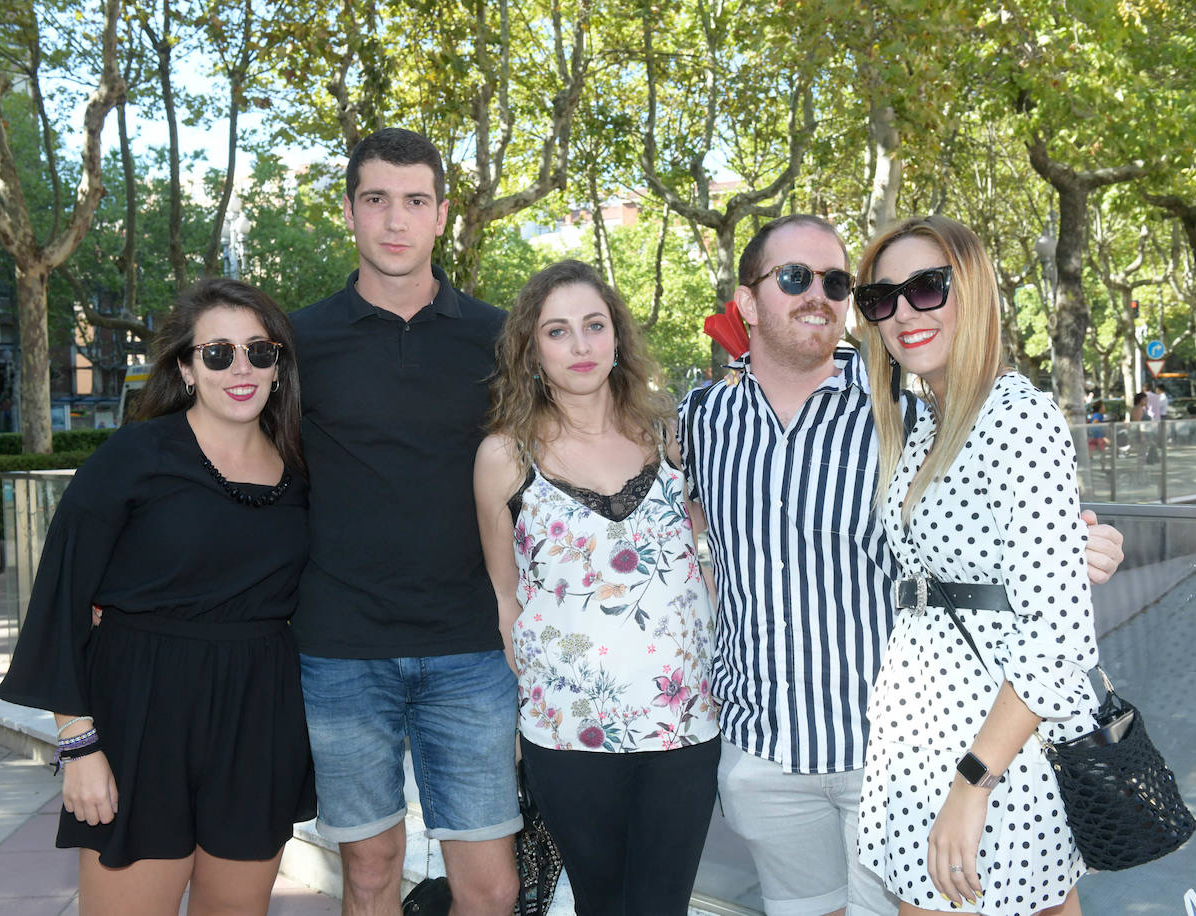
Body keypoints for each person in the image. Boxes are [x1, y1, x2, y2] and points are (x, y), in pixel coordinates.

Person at [677, 214, 1124, 916]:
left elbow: (1033, 569)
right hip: (784, 744)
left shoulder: (901, 409)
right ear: (746, 301)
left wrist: (1083, 542)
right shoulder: (702, 419)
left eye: (836, 282)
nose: (818, 295)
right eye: (795, 278)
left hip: (908, 747)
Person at [0, 278, 315, 914]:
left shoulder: (303, 470)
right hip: (141, 713)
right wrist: (79, 744)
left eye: (259, 350)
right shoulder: (135, 455)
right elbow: (61, 596)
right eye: (218, 353)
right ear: (187, 368)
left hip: (258, 719)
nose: (240, 368)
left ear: (280, 367)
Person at [289, 127, 520, 915]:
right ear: (349, 212)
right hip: (343, 648)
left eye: (415, 201)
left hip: (472, 650)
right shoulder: (296, 341)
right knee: (369, 870)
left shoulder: (500, 338)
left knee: (490, 890)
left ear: (442, 214)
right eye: (377, 200)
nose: (395, 220)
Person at [852, 215, 1101, 915]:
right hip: (925, 731)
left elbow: (1058, 637)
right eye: (881, 298)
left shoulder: (1015, 417)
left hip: (991, 750)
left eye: (926, 288)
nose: (903, 312)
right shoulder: (924, 421)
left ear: (972, 291)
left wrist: (971, 783)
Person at [473, 260, 720, 915]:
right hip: (567, 733)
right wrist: (521, 724)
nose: (580, 346)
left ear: (617, 338)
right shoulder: (504, 456)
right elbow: (505, 598)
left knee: (662, 906)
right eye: (557, 332)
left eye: (594, 326)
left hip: (682, 726)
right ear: (531, 349)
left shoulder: (673, 437)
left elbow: (709, 561)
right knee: (603, 905)